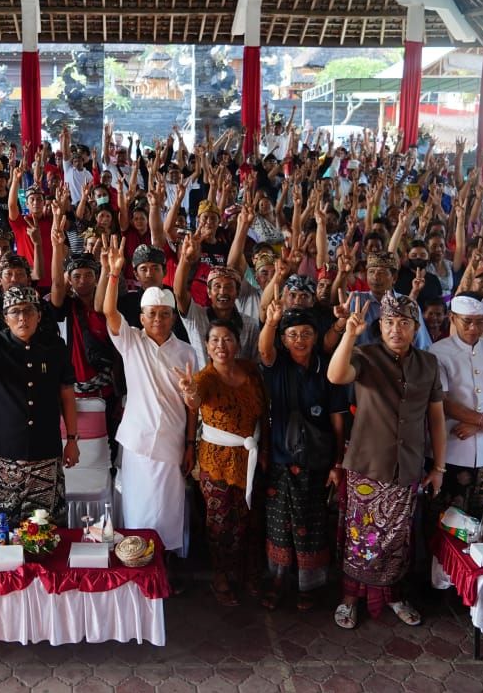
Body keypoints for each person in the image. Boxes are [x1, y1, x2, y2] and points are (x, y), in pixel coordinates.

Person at [326, 294, 445, 630]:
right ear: (380, 326)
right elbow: (336, 376)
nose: (396, 329)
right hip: (367, 465)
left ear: (415, 328)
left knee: (397, 539)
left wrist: (438, 467)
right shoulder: (366, 355)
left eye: (404, 323)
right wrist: (350, 334)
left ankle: (393, 596)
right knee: (360, 537)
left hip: (407, 466)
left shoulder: (428, 364)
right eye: (390, 322)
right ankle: (350, 598)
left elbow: (435, 418)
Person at [101, 243, 195, 582]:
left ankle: (163, 567)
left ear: (173, 318)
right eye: (151, 314)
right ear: (141, 318)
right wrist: (113, 273)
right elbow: (109, 312)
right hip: (138, 442)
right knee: (139, 508)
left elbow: (193, 404)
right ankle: (136, 564)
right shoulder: (132, 342)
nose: (158, 319)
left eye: (164, 314)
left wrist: (190, 444)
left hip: (172, 443)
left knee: (168, 510)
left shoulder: (187, 352)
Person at [256, 302, 346, 612]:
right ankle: (279, 581)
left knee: (313, 525)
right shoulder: (277, 365)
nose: (299, 339)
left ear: (315, 335)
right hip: (281, 460)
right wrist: (271, 323)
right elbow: (264, 350)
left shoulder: (327, 368)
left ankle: (309, 585)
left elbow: (337, 421)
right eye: (292, 334)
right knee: (279, 526)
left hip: (317, 462)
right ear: (284, 339)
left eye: (306, 333)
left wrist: (338, 462)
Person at [0, 287, 80, 520]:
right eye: (15, 312)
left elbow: (67, 393)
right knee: (2, 524)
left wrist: (72, 440)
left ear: (38, 315)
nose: (22, 317)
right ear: (5, 318)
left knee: (46, 526)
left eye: (28, 311)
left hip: (45, 448)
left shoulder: (55, 346)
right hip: (3, 451)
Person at [178, 316, 267, 608]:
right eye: (215, 340)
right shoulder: (204, 378)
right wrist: (189, 392)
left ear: (238, 343)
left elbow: (263, 413)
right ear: (206, 345)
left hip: (250, 458)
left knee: (250, 520)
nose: (221, 345)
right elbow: (194, 402)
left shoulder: (251, 371)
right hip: (216, 461)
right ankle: (221, 576)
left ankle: (249, 574)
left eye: (227, 339)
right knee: (220, 523)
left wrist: (264, 448)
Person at [428, 293, 483, 517]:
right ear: (452, 318)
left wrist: (479, 426)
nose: (473, 327)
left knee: (482, 518)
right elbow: (443, 402)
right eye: (467, 320)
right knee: (445, 519)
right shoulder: (438, 352)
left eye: (480, 321)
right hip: (451, 449)